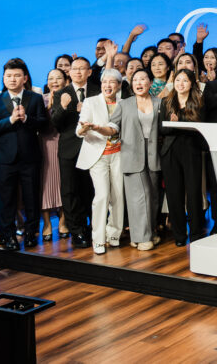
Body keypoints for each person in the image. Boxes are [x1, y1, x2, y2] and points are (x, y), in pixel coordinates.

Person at [0, 58, 47, 251]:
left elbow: (43, 123)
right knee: (6, 199)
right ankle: (8, 235)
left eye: (16, 75)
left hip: (30, 156)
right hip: (4, 158)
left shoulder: (34, 98)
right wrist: (11, 120)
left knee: (31, 198)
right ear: (3, 78)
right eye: (8, 76)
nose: (12, 79)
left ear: (25, 77)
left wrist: (27, 118)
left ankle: (30, 234)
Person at [108, 68, 161, 251]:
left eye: (143, 79)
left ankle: (150, 232)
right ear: (131, 84)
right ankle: (142, 237)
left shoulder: (160, 103)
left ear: (150, 82)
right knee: (139, 196)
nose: (139, 83)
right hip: (131, 154)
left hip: (154, 154)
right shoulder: (124, 104)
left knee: (152, 197)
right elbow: (113, 125)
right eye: (135, 79)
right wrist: (103, 129)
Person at [76, 69, 126, 254]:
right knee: (102, 195)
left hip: (119, 154)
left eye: (113, 82)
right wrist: (84, 129)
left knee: (118, 196)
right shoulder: (91, 101)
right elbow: (79, 129)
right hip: (98, 155)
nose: (108, 85)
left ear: (119, 85)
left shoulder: (124, 103)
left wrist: (99, 128)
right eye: (105, 81)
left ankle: (114, 234)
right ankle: (97, 238)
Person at [50, 56, 97, 249]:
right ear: (69, 72)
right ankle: (77, 231)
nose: (78, 72)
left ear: (89, 72)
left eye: (82, 68)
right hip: (69, 150)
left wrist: (83, 112)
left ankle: (94, 228)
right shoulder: (62, 93)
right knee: (70, 191)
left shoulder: (97, 92)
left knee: (91, 190)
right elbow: (56, 124)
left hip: (94, 147)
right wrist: (62, 106)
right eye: (74, 69)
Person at [160, 68, 207, 246]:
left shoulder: (199, 102)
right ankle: (179, 236)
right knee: (174, 194)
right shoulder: (166, 102)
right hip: (170, 151)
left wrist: (178, 123)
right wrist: (173, 125)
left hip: (191, 150)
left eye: (185, 80)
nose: (181, 84)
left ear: (191, 84)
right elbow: (161, 129)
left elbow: (200, 128)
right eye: (178, 80)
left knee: (194, 193)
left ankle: (196, 234)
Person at [40, 69, 69, 241]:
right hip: (44, 145)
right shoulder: (40, 100)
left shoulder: (70, 97)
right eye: (51, 78)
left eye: (58, 78)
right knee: (44, 186)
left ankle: (63, 222)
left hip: (64, 143)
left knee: (63, 184)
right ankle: (46, 224)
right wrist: (48, 107)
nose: (54, 81)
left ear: (66, 80)